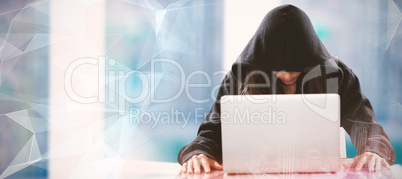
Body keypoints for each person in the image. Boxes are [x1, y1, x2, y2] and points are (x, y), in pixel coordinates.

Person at [178, 4, 396, 174]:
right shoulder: (241, 76)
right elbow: (211, 132)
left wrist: (372, 150)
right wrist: (198, 153)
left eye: (297, 69)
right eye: (278, 69)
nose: (288, 75)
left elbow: (366, 125)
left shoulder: (336, 75)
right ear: (262, 62)